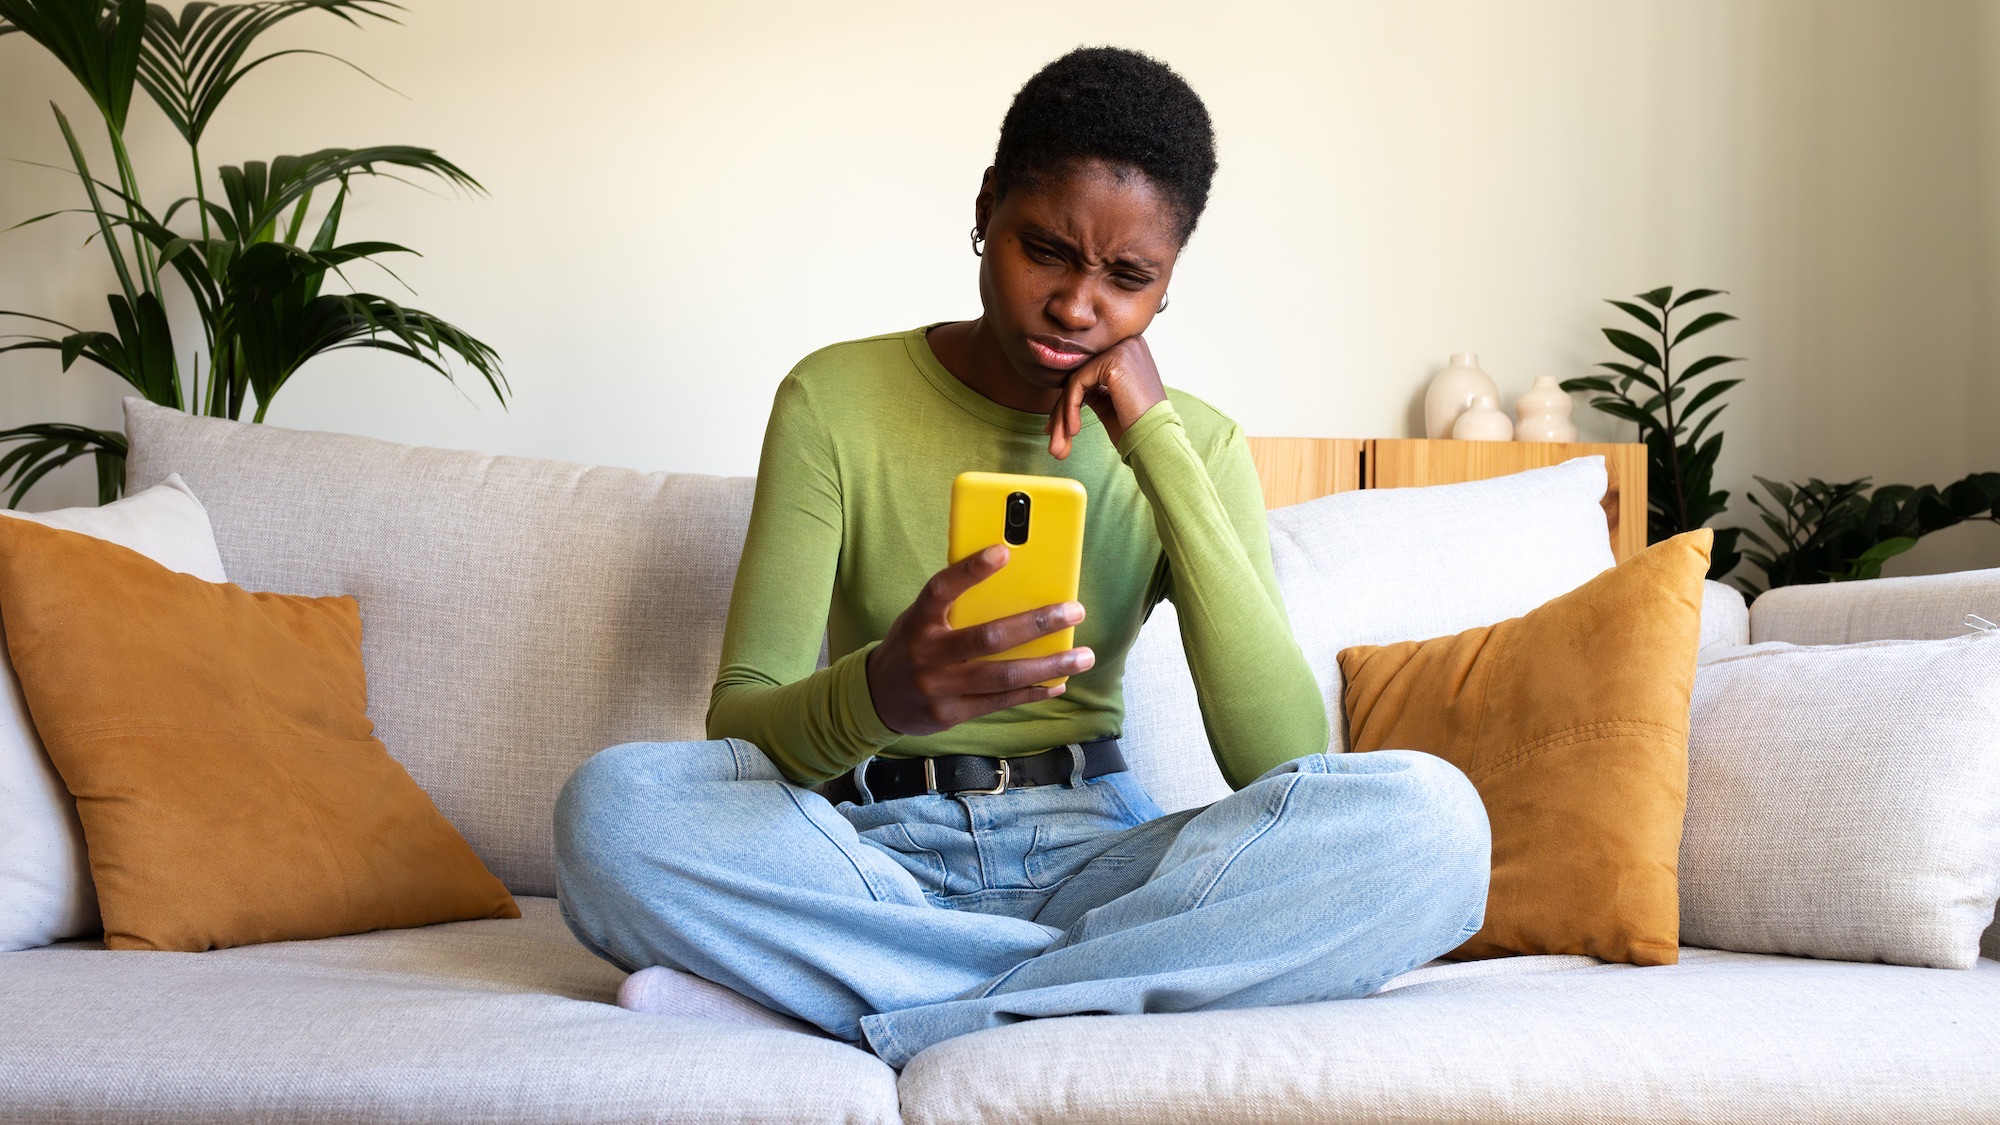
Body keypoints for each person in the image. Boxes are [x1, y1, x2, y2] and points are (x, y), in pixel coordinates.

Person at [554, 46, 1490, 1068]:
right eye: (1043, 249)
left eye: (1128, 278)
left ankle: (873, 1004)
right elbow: (736, 719)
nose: (1078, 305)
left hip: (1100, 855)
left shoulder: (1195, 442)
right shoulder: (833, 397)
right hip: (868, 855)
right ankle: (1078, 987)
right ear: (987, 205)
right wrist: (882, 697)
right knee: (611, 812)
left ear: (1166, 285)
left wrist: (1155, 443)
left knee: (1434, 825)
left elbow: (1279, 762)